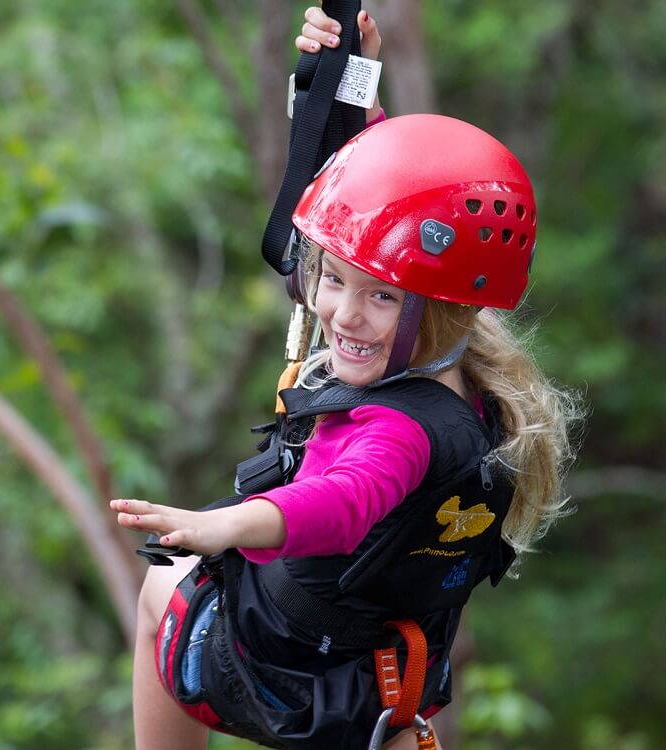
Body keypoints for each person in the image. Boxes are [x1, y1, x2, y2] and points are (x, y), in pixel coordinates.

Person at [110, 8, 582, 750]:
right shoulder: (467, 368)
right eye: (334, 278)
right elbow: (384, 191)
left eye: (381, 296)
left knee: (166, 586)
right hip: (386, 673)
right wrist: (350, 76)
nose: (342, 314)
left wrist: (226, 525)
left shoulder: (398, 428)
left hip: (292, 659)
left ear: (442, 303)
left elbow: (342, 501)